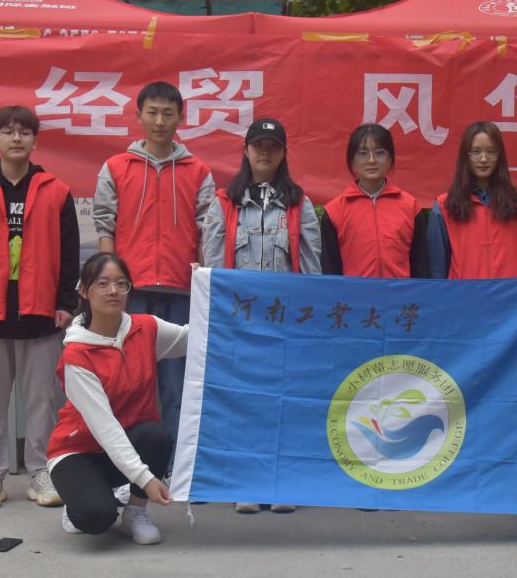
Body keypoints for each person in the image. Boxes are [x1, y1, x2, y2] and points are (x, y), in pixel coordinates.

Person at [0, 105, 79, 510]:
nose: (16, 138)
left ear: (35, 140)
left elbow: (70, 255)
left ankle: (42, 471)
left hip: (40, 313)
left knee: (42, 400)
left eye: (24, 132)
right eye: (7, 132)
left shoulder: (56, 191)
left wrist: (65, 302)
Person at [201, 117, 320, 514]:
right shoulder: (224, 202)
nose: (265, 152)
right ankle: (246, 483)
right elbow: (214, 268)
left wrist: (308, 320)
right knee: (244, 402)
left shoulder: (299, 203)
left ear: (283, 153)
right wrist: (221, 318)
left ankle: (283, 483)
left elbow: (312, 268)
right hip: (241, 323)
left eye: (273, 146)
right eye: (258, 145)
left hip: (286, 323)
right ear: (246, 150)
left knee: (285, 400)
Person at [92, 81, 215, 465]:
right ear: (139, 116)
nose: (160, 121)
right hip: (134, 291)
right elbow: (104, 224)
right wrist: (111, 283)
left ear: (180, 118)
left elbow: (208, 228)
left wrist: (203, 278)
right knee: (131, 382)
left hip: (181, 291)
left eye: (168, 114)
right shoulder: (116, 167)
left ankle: (176, 464)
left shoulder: (198, 171)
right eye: (153, 113)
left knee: (178, 382)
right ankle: (128, 464)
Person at [48, 253, 188, 543]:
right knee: (96, 518)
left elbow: (195, 339)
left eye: (121, 283)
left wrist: (208, 290)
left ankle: (135, 512)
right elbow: (105, 428)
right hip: (79, 450)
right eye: (103, 283)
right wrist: (146, 479)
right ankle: (79, 499)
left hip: (129, 442)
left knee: (155, 437)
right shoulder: (76, 355)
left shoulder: (146, 328)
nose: (113, 290)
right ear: (84, 290)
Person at [427, 121, 517, 279]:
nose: (483, 159)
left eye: (491, 151)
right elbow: (437, 274)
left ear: (500, 156)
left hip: (513, 294)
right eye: (475, 152)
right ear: (465, 156)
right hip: (465, 293)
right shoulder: (444, 206)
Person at [321, 123, 427, 278]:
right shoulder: (335, 211)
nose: (371, 160)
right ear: (352, 161)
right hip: (354, 293)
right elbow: (330, 270)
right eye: (363, 153)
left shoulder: (411, 207)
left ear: (390, 159)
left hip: (401, 292)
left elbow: (421, 266)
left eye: (379, 153)